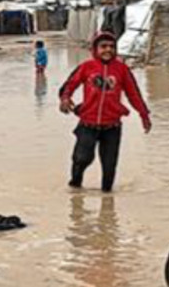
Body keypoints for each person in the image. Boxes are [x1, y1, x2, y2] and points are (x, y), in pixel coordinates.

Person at [59, 32, 152, 193]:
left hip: (112, 126)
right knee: (81, 159)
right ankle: (75, 189)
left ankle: (107, 202)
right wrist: (65, 98)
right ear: (95, 49)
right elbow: (69, 85)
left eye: (111, 47)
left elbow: (133, 94)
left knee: (109, 166)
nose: (107, 50)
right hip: (88, 124)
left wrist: (144, 115)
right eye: (103, 47)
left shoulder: (122, 69)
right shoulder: (86, 67)